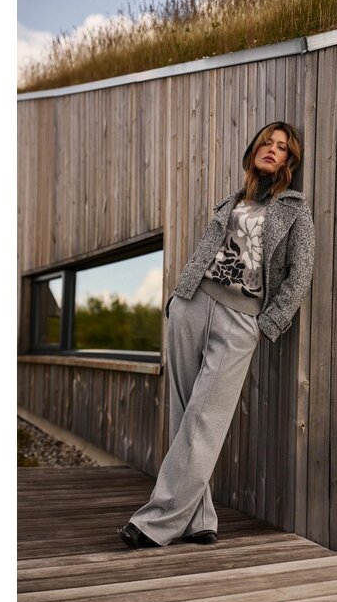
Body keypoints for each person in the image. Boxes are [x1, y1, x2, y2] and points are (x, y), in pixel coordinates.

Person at [118, 121, 315, 548]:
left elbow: (300, 274)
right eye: (267, 142)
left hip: (240, 319)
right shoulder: (231, 202)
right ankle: (200, 518)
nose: (272, 149)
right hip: (192, 304)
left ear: (289, 160)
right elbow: (205, 253)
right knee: (184, 413)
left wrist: (268, 323)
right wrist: (177, 299)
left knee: (205, 419)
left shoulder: (295, 209)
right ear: (254, 150)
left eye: (282, 147)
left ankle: (156, 521)